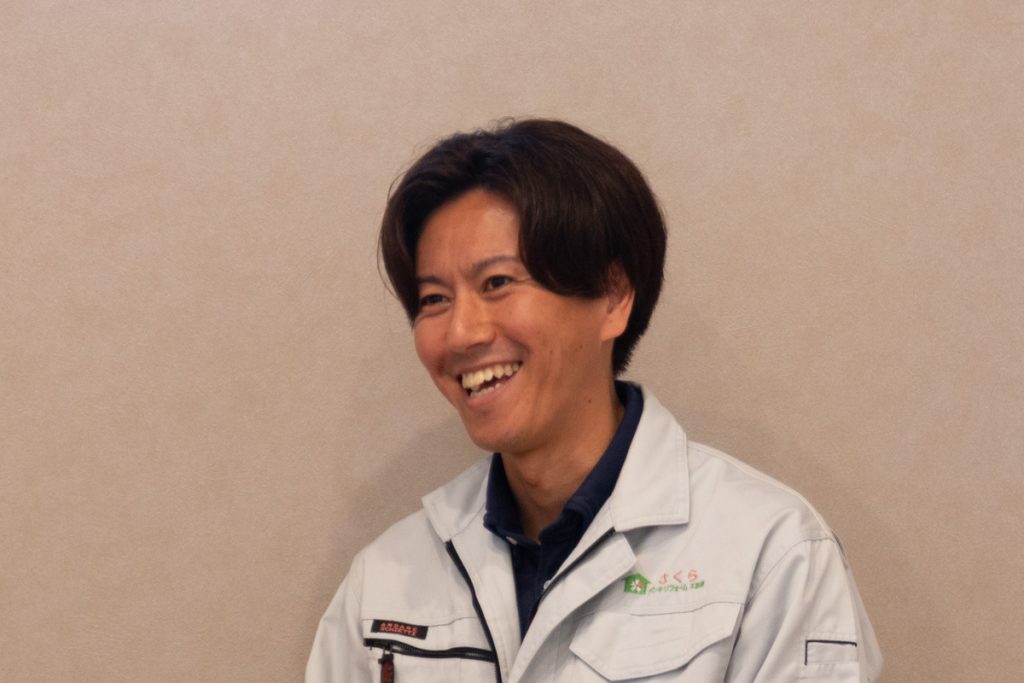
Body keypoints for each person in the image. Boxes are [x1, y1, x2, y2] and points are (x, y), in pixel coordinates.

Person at [306, 119, 882, 682]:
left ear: (613, 296)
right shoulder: (383, 584)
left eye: (497, 283)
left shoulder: (773, 555)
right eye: (434, 299)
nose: (460, 334)